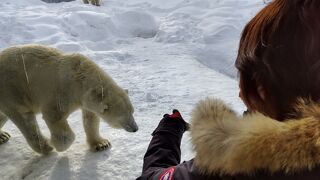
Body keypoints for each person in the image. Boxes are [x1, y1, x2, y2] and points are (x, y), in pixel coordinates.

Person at [137, 0, 320, 179]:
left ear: (262, 88)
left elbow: (153, 176)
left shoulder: (238, 166)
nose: (240, 94)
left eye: (244, 76)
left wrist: (168, 129)